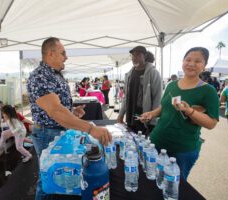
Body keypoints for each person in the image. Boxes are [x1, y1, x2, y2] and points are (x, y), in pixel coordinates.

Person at [26, 37, 112, 200]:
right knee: (47, 180)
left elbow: (59, 107)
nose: (67, 57)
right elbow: (55, 111)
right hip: (47, 133)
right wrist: (91, 129)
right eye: (63, 53)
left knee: (56, 178)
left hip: (56, 130)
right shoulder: (40, 76)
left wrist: (72, 112)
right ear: (51, 53)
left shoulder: (55, 75)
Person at [140, 47, 219, 180]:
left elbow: (211, 123)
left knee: (175, 187)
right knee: (152, 180)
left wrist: (190, 111)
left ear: (204, 66)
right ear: (183, 62)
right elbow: (164, 107)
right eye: (188, 59)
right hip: (157, 141)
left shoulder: (208, 91)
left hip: (182, 150)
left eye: (198, 61)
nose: (191, 64)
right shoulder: (172, 85)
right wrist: (152, 114)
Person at [117, 45, 162, 134]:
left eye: (137, 55)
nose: (134, 58)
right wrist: (121, 114)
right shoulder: (129, 74)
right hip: (130, 115)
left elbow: (157, 97)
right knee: (131, 141)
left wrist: (152, 121)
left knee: (143, 142)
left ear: (144, 56)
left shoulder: (153, 73)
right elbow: (126, 96)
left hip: (144, 117)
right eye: (133, 55)